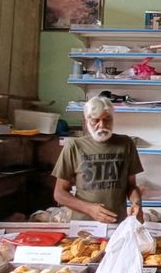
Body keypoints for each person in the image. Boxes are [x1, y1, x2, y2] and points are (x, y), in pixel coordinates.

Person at [52, 96, 144, 224]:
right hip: (84, 226)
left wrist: (137, 203)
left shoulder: (126, 144)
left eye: (107, 119)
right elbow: (59, 193)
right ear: (86, 120)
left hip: (118, 223)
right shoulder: (74, 146)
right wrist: (89, 209)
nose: (102, 125)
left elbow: (131, 186)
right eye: (96, 120)